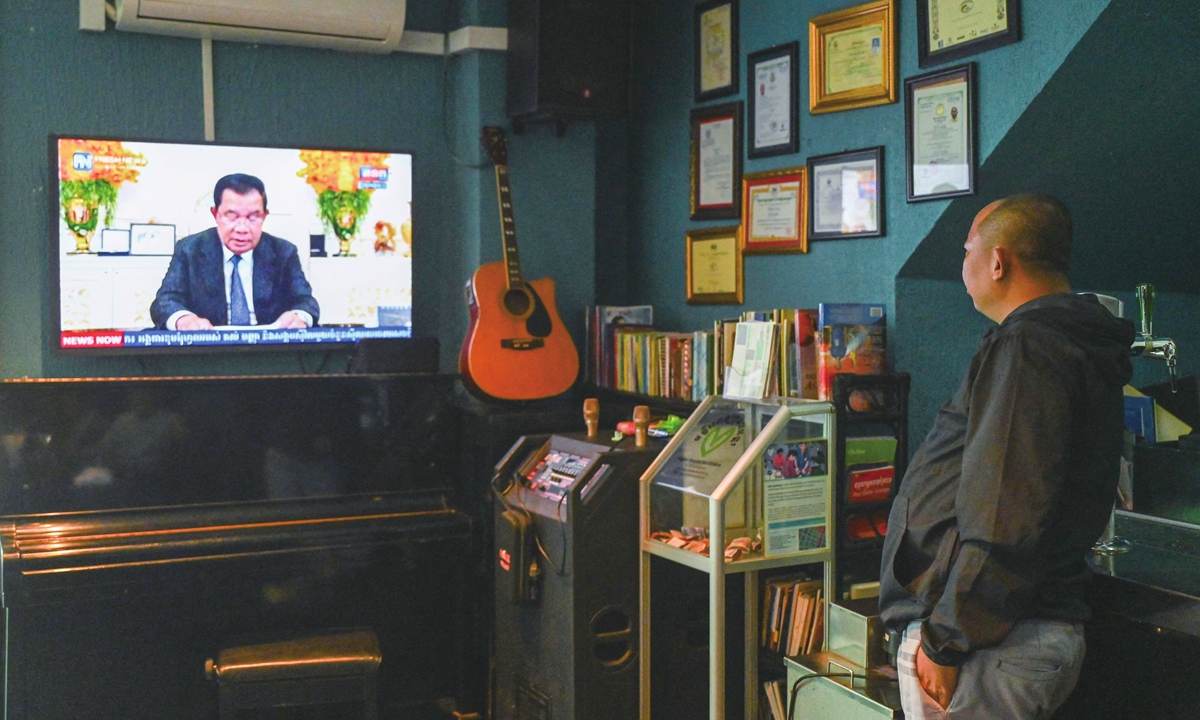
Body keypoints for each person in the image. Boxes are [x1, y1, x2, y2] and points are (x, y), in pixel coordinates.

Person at [878, 194, 1135, 720]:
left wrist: (946, 640)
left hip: (990, 647)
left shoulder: (1030, 346)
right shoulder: (1060, 339)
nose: (963, 263)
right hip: (1006, 637)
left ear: (998, 261)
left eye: (968, 248)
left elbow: (1005, 512)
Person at [150, 174, 319, 330]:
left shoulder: (283, 252)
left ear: (264, 216)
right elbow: (165, 302)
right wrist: (184, 319)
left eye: (253, 217)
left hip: (269, 351)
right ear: (216, 214)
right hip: (208, 351)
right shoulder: (189, 250)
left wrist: (299, 317)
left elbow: (306, 302)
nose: (242, 228)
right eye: (232, 216)